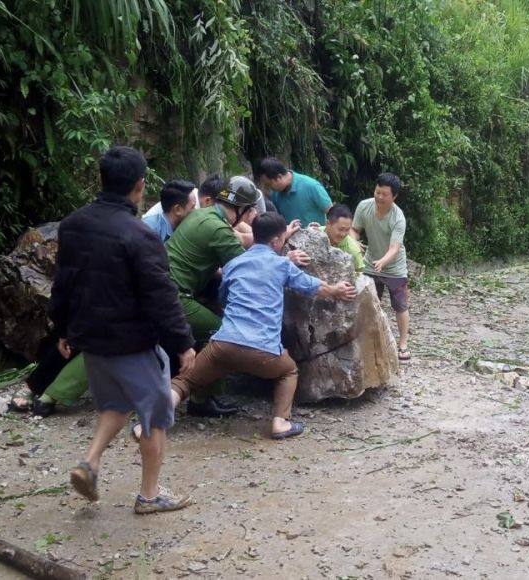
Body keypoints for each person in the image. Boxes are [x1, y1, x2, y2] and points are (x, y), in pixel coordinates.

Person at [49, 145, 196, 514]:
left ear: (101, 179)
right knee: (155, 416)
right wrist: (183, 344)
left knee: (116, 403)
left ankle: (91, 462)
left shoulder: (73, 224)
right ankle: (149, 495)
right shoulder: (140, 235)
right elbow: (161, 296)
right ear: (139, 185)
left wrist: (62, 328)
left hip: (92, 341)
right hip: (132, 343)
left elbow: (63, 283)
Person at [167, 212, 357, 439]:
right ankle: (280, 423)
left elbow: (224, 298)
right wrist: (336, 290)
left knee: (184, 381)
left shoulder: (233, 264)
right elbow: (312, 286)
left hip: (223, 345)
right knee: (289, 371)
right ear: (277, 241)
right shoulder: (281, 265)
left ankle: (152, 421)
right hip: (263, 352)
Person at [165, 176, 308, 417]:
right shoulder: (218, 228)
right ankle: (202, 399)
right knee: (220, 333)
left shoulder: (205, 214)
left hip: (166, 290)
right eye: (250, 209)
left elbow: (240, 241)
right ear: (243, 209)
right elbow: (246, 268)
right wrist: (284, 260)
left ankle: (192, 393)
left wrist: (279, 233)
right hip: (176, 297)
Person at [350, 173, 411, 361]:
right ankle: (365, 340)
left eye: (384, 194)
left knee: (400, 305)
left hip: (395, 268)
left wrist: (383, 261)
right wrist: (354, 243)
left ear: (394, 197)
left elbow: (395, 248)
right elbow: (354, 229)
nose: (379, 197)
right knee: (367, 303)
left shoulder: (398, 218)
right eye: (378, 192)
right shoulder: (363, 206)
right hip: (369, 264)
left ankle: (403, 345)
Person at [255, 157, 333, 227]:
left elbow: (332, 213)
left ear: (279, 177)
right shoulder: (275, 194)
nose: (267, 189)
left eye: (269, 184)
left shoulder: (311, 186)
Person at [310, 204, 365, 272]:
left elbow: (360, 275)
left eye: (347, 230)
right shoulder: (313, 235)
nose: (343, 234)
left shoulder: (353, 251)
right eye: (340, 229)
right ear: (328, 224)